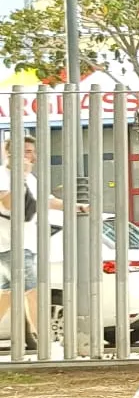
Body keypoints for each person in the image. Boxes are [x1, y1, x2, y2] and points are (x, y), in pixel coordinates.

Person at [0, 133, 83, 351]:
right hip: (11, 245)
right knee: (32, 291)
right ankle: (46, 343)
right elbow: (10, 204)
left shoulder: (30, 178)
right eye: (26, 152)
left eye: (31, 152)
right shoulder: (3, 175)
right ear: (10, 153)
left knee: (7, 295)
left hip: (21, 244)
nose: (31, 156)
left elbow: (46, 201)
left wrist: (77, 207)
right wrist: (22, 176)